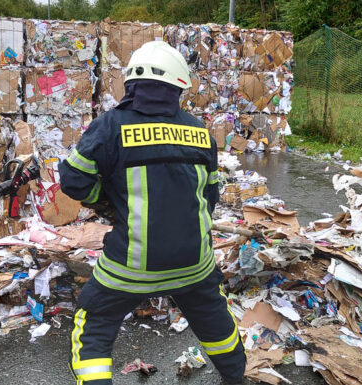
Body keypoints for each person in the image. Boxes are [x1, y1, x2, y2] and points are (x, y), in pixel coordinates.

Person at [59, 41, 246, 384]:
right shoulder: (201, 132)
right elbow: (211, 195)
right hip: (195, 263)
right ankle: (235, 378)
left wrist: (107, 200)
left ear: (131, 85)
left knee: (94, 326)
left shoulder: (110, 126)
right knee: (215, 320)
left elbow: (73, 181)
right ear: (179, 86)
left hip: (131, 268)